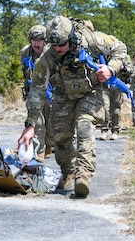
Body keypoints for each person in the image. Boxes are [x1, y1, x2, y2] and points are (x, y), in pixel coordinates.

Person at [18, 16, 127, 197]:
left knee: (84, 127)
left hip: (90, 92)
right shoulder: (48, 57)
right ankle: (68, 170)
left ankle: (83, 174)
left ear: (71, 38)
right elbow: (37, 91)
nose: (58, 49)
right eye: (54, 46)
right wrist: (30, 126)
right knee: (60, 138)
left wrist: (111, 68)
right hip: (63, 95)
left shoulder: (93, 40)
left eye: (62, 45)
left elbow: (120, 47)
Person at [20, 25, 54, 161]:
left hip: (51, 92)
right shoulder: (26, 53)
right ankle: (39, 149)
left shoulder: (50, 52)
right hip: (34, 93)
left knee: (51, 123)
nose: (36, 43)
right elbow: (25, 72)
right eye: (33, 40)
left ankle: (49, 144)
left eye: (39, 40)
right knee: (37, 122)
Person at [100, 54, 134, 140]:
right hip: (104, 86)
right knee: (104, 108)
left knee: (116, 110)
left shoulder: (124, 56)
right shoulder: (101, 54)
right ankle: (104, 130)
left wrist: (124, 68)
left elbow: (131, 70)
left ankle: (115, 130)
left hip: (117, 86)